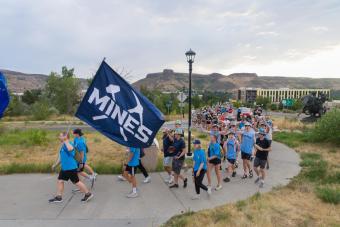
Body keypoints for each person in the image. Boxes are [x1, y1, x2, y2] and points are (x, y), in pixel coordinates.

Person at [49, 132, 93, 203]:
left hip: (70, 168)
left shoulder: (69, 144)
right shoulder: (63, 145)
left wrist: (65, 141)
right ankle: (59, 197)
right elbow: (61, 158)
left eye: (60, 136)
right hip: (65, 168)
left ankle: (88, 194)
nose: (59, 137)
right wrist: (55, 165)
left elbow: (70, 149)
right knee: (60, 181)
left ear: (65, 137)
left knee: (77, 182)